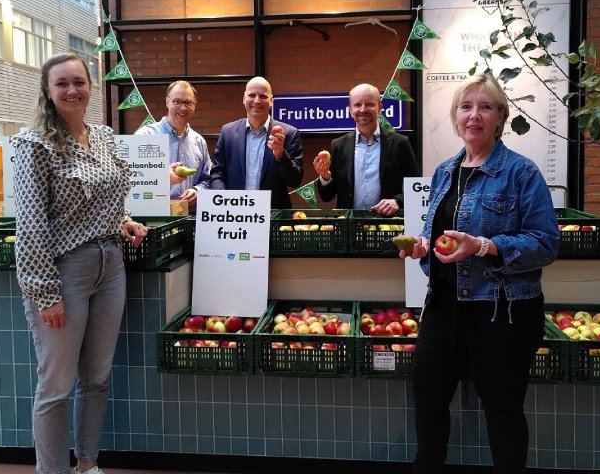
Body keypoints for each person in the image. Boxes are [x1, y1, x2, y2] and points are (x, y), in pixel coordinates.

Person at [398, 73, 559, 474]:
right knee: (428, 400)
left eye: (485, 107)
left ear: (500, 116)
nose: (474, 116)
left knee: (502, 409)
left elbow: (546, 243)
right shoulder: (445, 172)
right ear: (455, 116)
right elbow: (441, 237)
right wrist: (424, 248)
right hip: (443, 307)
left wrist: (484, 246)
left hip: (501, 313)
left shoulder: (522, 173)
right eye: (466, 107)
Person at [12, 53, 147, 474]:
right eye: (61, 84)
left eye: (79, 82)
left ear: (91, 87)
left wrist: (123, 220)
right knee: (55, 386)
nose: (72, 90)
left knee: (98, 376)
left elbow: (108, 195)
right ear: (48, 92)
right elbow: (31, 223)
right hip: (63, 272)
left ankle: (86, 465)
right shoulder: (33, 145)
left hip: (111, 265)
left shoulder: (105, 137)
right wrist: (45, 293)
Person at [313, 83, 418, 216]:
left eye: (369, 104)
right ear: (350, 110)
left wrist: (398, 201)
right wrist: (325, 177)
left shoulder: (400, 143)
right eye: (357, 105)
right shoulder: (338, 146)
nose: (363, 110)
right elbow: (327, 196)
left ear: (380, 107)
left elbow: (416, 187)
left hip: (388, 225)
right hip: (349, 227)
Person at [209, 76, 303, 208]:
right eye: (252, 95)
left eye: (263, 96)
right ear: (244, 98)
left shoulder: (288, 133)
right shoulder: (228, 132)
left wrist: (281, 155)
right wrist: (224, 201)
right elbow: (217, 173)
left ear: (271, 101)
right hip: (234, 215)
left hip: (273, 217)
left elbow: (295, 180)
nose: (257, 101)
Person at [134, 80, 211, 208]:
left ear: (195, 105)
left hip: (189, 217)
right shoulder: (146, 136)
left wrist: (197, 190)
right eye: (177, 101)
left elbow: (208, 178)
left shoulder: (199, 142)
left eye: (188, 102)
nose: (183, 108)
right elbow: (130, 177)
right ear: (167, 102)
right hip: (154, 216)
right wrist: (161, 177)